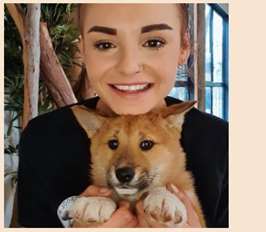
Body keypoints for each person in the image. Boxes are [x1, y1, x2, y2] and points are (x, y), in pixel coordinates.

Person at [15, 4, 228, 227]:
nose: (128, 67)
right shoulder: (42, 139)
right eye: (104, 44)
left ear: (184, 47)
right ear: (84, 50)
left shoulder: (224, 143)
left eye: (153, 42)